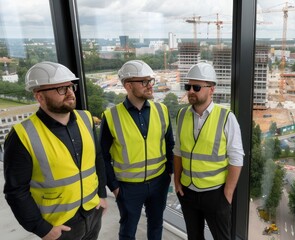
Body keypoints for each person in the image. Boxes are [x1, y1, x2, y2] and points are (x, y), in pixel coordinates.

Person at [3, 61, 107, 240]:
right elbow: (16, 191)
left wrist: (102, 196)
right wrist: (41, 228)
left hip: (93, 212)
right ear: (40, 97)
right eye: (60, 89)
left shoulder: (86, 118)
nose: (69, 93)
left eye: (70, 86)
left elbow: (97, 158)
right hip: (59, 225)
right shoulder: (22, 135)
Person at [100, 60, 174, 240]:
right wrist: (115, 187)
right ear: (128, 85)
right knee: (128, 230)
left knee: (156, 224)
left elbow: (169, 145)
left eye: (150, 81)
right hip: (128, 187)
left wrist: (168, 175)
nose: (150, 86)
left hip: (158, 183)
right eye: (144, 82)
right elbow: (102, 156)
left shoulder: (161, 110)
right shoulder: (111, 116)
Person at [174, 62, 244, 240]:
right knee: (194, 237)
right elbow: (178, 151)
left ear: (211, 89)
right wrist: (177, 182)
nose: (190, 91)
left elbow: (236, 158)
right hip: (188, 192)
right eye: (188, 86)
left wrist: (227, 194)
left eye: (196, 87)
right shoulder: (182, 115)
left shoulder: (226, 117)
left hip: (215, 194)